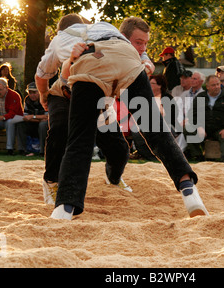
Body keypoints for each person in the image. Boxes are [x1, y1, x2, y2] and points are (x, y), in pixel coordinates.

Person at [49, 21, 208, 220]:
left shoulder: (63, 37)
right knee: (155, 129)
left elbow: (50, 72)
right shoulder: (113, 33)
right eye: (139, 42)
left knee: (80, 140)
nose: (142, 47)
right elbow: (137, 55)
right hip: (126, 66)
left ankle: (64, 207)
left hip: (91, 67)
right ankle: (188, 188)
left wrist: (44, 90)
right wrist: (146, 65)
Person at [36, 14, 154, 203]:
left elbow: (41, 74)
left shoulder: (104, 34)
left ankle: (113, 177)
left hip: (97, 97)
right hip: (65, 93)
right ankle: (51, 181)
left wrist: (146, 62)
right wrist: (44, 95)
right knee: (60, 130)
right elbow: (42, 73)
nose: (142, 48)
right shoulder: (61, 41)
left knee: (119, 148)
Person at [184, 75, 224, 162]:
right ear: (207, 87)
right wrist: (199, 127)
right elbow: (192, 115)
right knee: (188, 130)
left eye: (218, 84)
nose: (217, 87)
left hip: (221, 128)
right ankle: (198, 156)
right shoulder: (200, 97)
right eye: (214, 85)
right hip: (203, 128)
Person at [16, 82, 48, 156]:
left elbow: (47, 117)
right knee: (21, 123)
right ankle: (22, 150)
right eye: (30, 92)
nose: (32, 95)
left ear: (39, 92)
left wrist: (33, 117)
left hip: (44, 124)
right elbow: (26, 117)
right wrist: (37, 118)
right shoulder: (27, 100)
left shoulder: (45, 99)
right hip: (33, 122)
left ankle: (42, 151)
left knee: (43, 125)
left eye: (34, 92)